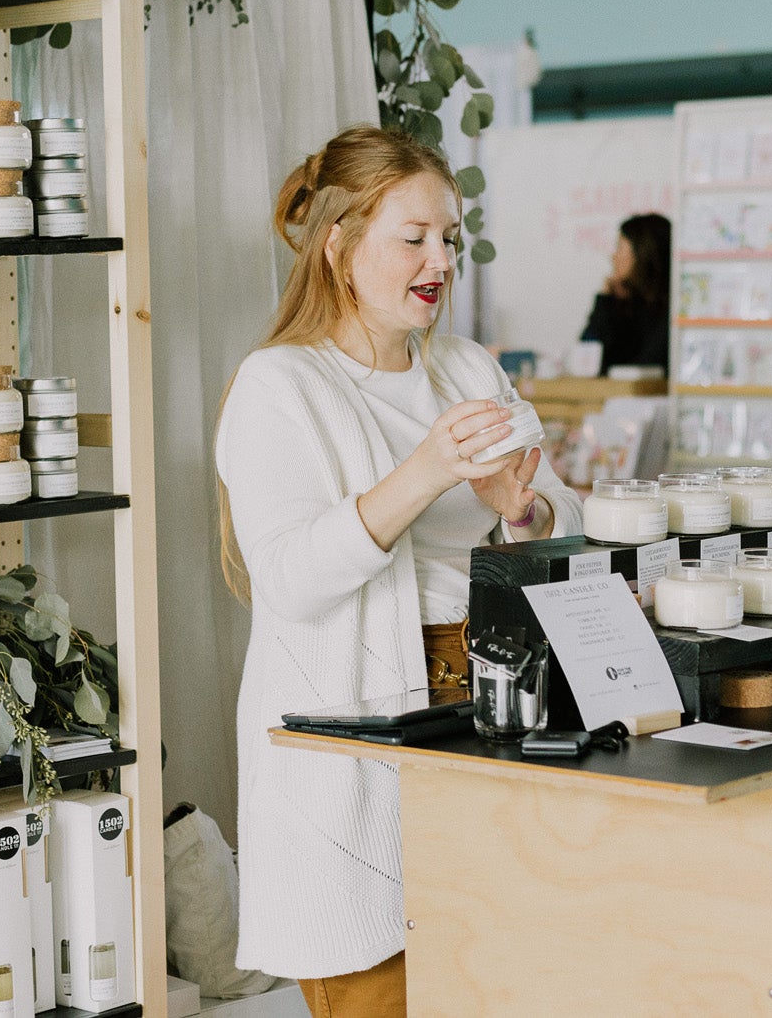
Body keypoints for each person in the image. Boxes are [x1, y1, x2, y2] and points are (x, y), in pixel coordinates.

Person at [215, 125, 583, 1017]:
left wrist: (516, 506)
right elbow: (291, 578)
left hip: (487, 716)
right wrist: (425, 472)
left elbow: (565, 519)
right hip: (361, 733)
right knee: (380, 987)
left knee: (505, 976)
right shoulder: (281, 385)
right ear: (339, 246)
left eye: (449, 239)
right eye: (412, 237)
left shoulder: (464, 368)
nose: (439, 261)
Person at [579, 212, 671, 373]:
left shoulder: (668, 310)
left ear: (643, 252)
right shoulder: (619, 303)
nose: (613, 256)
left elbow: (645, 368)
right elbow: (586, 358)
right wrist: (604, 301)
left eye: (620, 247)